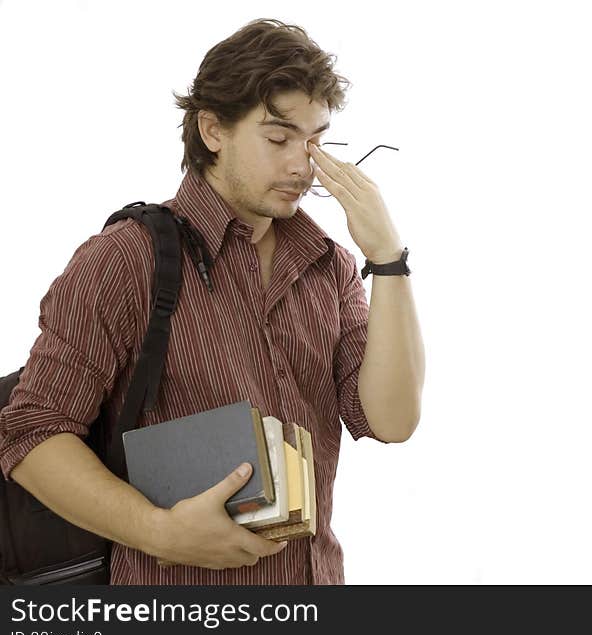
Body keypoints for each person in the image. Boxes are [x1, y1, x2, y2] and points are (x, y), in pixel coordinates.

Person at [0, 18, 424, 585]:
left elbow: (390, 420)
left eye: (316, 140)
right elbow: (31, 433)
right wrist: (158, 531)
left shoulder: (330, 267)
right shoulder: (127, 258)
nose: (303, 165)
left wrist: (388, 259)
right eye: (278, 138)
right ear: (213, 130)